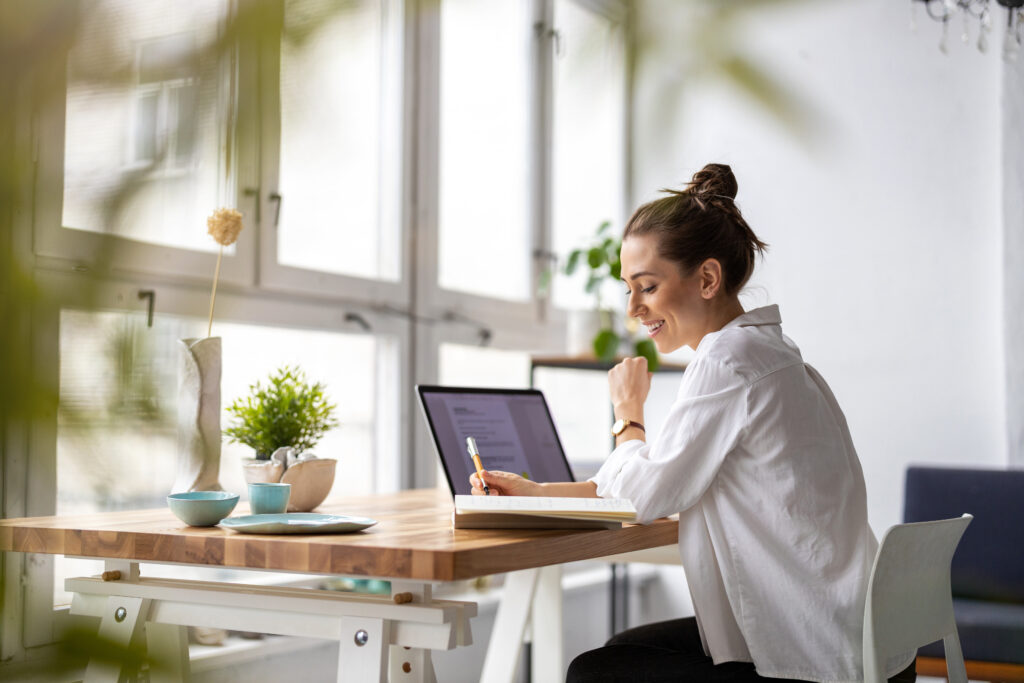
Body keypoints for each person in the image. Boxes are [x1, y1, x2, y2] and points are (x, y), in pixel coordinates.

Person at [470, 163, 916, 682]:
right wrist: (535, 491)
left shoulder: (728, 362)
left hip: (815, 659)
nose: (633, 307)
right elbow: (654, 479)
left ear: (707, 278)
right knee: (622, 649)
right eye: (627, 289)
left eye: (647, 287)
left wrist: (627, 415)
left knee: (595, 672)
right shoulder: (770, 353)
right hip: (858, 642)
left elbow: (644, 497)